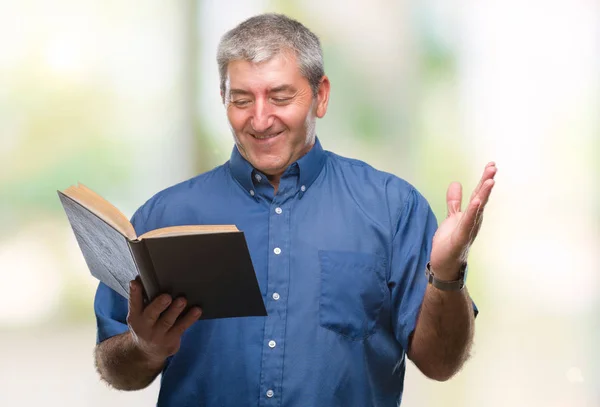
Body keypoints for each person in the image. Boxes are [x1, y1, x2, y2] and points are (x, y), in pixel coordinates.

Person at [93, 13, 496, 407]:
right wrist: (144, 348)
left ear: (320, 95)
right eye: (241, 99)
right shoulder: (163, 217)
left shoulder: (394, 208)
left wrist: (447, 275)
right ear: (222, 98)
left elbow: (441, 364)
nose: (261, 118)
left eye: (281, 97)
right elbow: (116, 370)